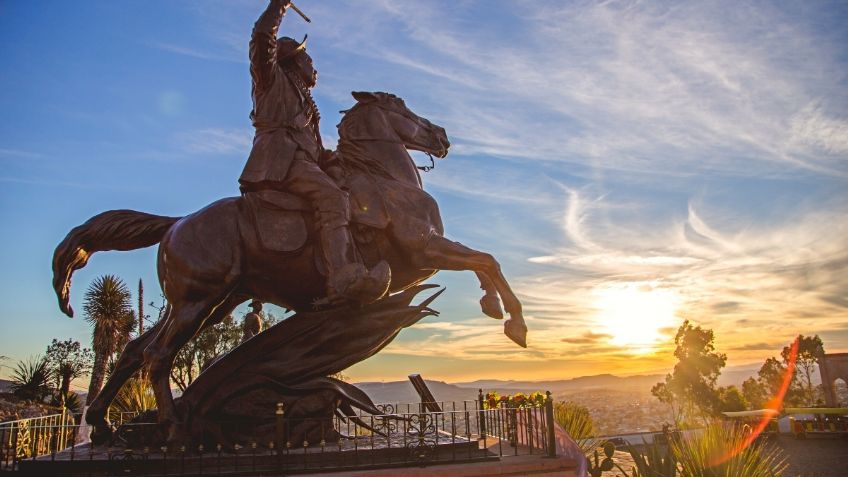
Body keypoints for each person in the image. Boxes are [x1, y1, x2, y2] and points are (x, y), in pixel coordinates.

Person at [240, 0, 390, 304]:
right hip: (280, 163)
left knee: (347, 188)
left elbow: (315, 149)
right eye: (308, 59)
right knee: (332, 197)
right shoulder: (270, 80)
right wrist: (278, 6)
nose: (314, 67)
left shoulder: (306, 103)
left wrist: (335, 162)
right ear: (293, 62)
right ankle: (342, 278)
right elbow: (261, 39)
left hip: (301, 163)